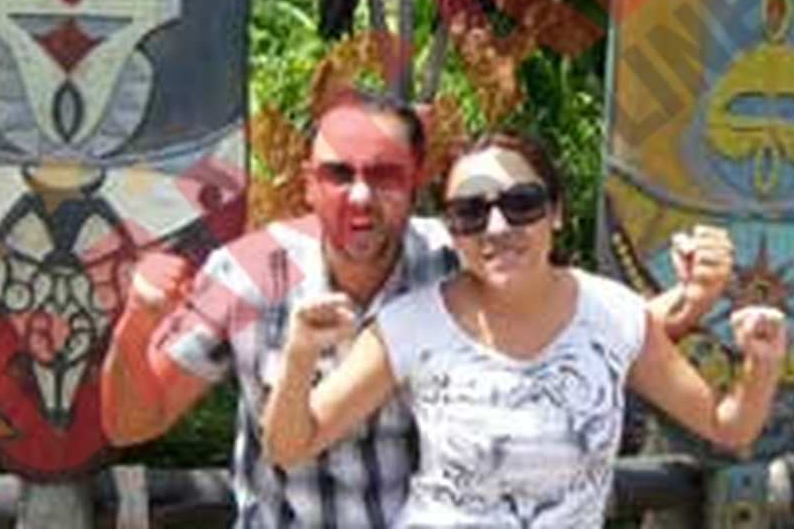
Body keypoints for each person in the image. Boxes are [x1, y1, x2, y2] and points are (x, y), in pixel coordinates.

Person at [101, 91, 737, 527]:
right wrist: (138, 322)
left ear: (415, 181)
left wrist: (689, 300)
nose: (360, 196)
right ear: (307, 182)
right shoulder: (247, 276)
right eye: (338, 174)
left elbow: (582, 328)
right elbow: (132, 423)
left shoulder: (458, 254)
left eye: (384, 175)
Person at [260, 130, 786, 527]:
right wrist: (300, 355)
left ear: (556, 212)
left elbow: (728, 427)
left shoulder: (615, 316)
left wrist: (761, 361)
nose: (497, 228)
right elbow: (289, 445)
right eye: (470, 212)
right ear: (451, 231)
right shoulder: (412, 324)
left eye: (521, 205)